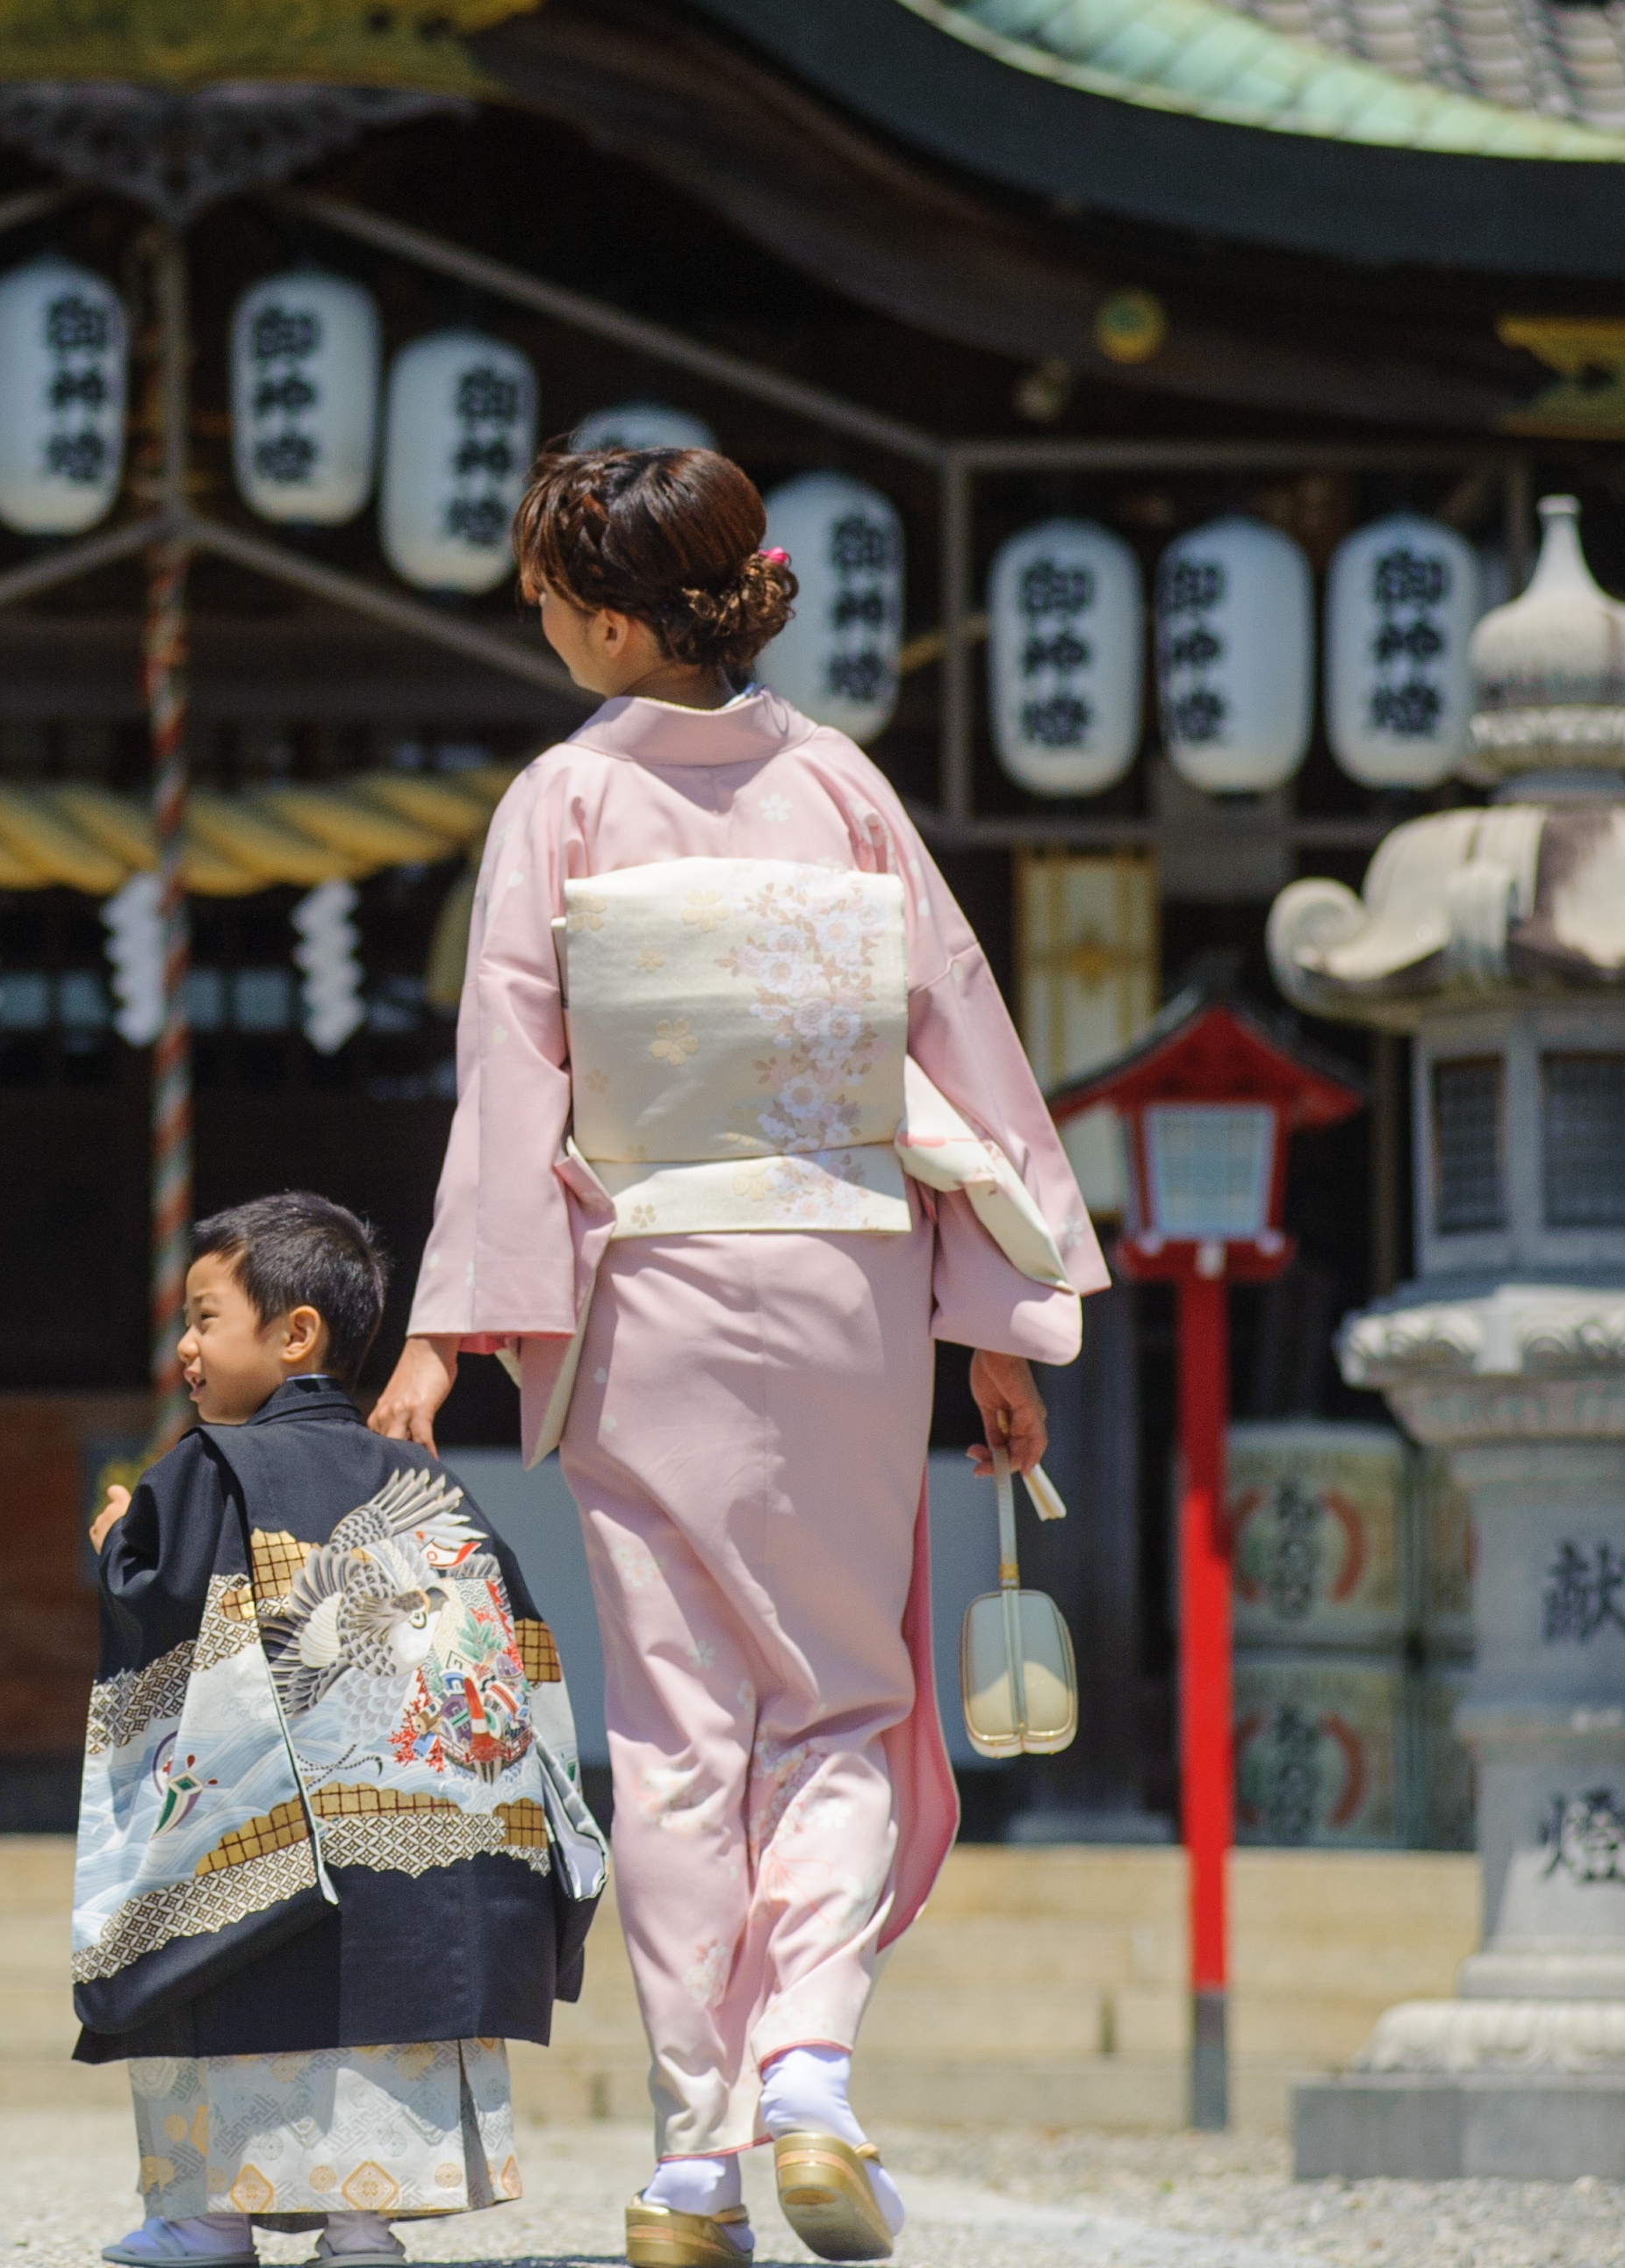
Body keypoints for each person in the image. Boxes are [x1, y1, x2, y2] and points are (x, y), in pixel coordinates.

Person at [368, 449, 1104, 2268]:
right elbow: (958, 1045)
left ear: (615, 619)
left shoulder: (563, 799)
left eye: (546, 596)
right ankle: (810, 2073)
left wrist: (451, 1330)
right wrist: (998, 1322)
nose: (534, 623)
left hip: (652, 1286)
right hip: (847, 1274)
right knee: (845, 1702)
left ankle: (696, 2161)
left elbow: (512, 1077)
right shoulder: (842, 782)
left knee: (680, 1727)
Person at [77, 1193, 607, 2268]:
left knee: (221, 1960)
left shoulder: (210, 1467)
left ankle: (207, 2220)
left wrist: (114, 1543)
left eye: (203, 1317)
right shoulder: (429, 1482)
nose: (183, 1345)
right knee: (391, 2010)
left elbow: (164, 1593)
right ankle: (362, 2228)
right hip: (428, 1836)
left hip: (279, 1839)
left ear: (295, 1333)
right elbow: (513, 1638)